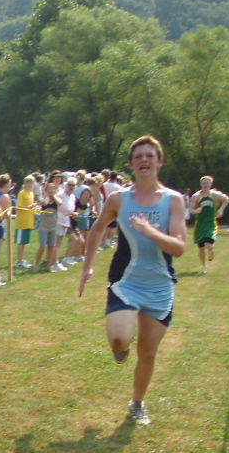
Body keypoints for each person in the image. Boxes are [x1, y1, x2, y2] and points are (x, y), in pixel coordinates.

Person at [79, 135, 186, 426]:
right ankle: (120, 348)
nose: (144, 160)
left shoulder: (174, 200)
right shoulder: (118, 199)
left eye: (150, 155)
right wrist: (87, 267)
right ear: (131, 164)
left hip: (160, 286)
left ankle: (137, 403)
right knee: (118, 339)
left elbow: (179, 247)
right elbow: (97, 229)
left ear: (159, 161)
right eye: (138, 156)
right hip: (125, 282)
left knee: (148, 354)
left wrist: (150, 232)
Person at [189, 175, 228, 273]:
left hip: (211, 223)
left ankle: (210, 250)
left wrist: (221, 209)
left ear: (211, 184)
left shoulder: (214, 194)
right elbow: (191, 209)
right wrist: (196, 211)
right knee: (201, 247)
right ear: (201, 184)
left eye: (207, 183)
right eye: (204, 183)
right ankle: (204, 266)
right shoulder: (196, 196)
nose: (205, 185)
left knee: (208, 244)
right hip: (200, 225)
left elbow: (226, 199)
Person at [14, 175, 36, 268]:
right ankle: (19, 261)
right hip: (22, 222)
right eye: (28, 182)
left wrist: (34, 208)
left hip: (28, 221)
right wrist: (29, 207)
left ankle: (21, 259)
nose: (30, 184)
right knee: (20, 242)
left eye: (32, 182)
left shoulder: (31, 193)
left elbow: (31, 207)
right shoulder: (22, 193)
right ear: (25, 183)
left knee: (24, 242)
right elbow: (18, 207)